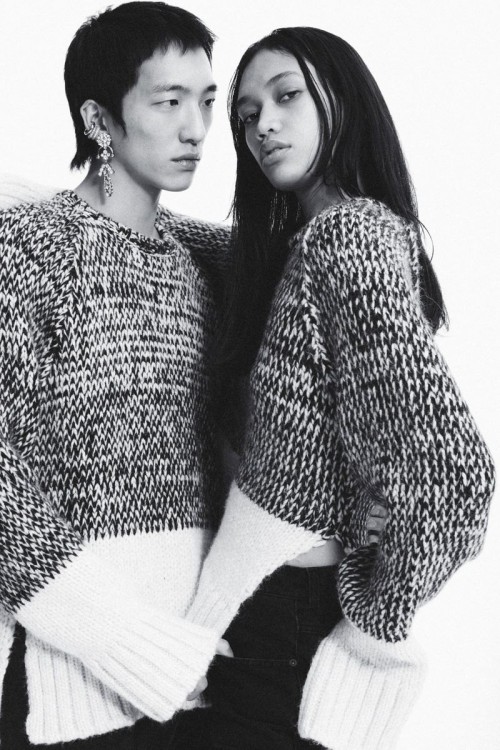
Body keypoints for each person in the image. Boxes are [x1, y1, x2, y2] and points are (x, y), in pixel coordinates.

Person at [186, 27, 496, 749]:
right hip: (266, 614)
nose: (263, 126)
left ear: (344, 100)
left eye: (286, 96)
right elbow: (201, 244)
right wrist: (74, 211)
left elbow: (455, 475)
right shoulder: (300, 250)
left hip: (288, 621)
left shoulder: (345, 240)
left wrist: (372, 622)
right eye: (246, 115)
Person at [0, 3, 234, 748]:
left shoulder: (202, 264)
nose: (196, 129)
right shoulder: (32, 251)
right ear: (99, 119)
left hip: (199, 674)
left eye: (207, 101)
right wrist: (127, 641)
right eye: (168, 102)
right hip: (72, 686)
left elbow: (329, 275)